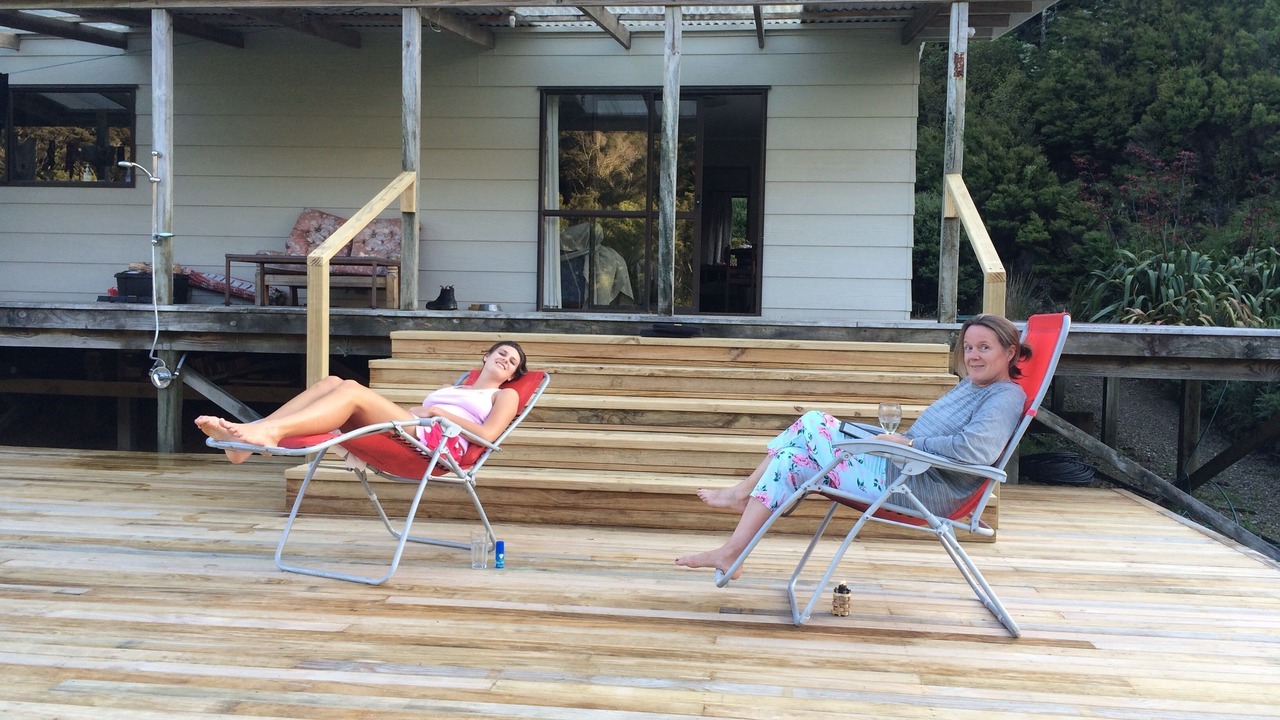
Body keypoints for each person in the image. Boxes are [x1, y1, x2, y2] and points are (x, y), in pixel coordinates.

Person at [675, 314, 1031, 580]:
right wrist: (889, 441)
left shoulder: (1004, 396)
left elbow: (976, 450)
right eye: (968, 347)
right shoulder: (973, 386)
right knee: (788, 460)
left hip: (917, 487)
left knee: (813, 420)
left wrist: (907, 442)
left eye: (984, 347)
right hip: (900, 467)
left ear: (1010, 352)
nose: (973, 356)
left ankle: (741, 493)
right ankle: (732, 554)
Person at [196, 340, 528, 464]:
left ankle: (265, 434)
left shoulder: (504, 395)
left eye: (512, 362)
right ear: (485, 357)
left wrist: (438, 412)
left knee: (352, 389)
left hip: (440, 445)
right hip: (416, 429)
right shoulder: (451, 388)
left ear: (512, 375)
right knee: (333, 383)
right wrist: (424, 411)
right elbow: (418, 414)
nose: (505, 360)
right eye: (501, 353)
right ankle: (251, 437)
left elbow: (488, 436)